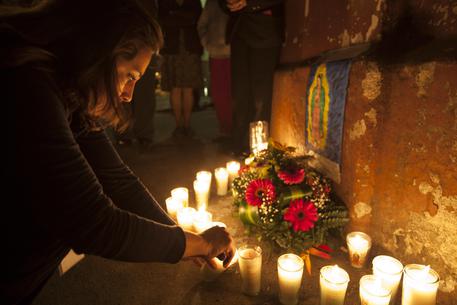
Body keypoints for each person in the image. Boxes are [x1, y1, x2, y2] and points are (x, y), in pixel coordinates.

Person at [1, 1, 235, 304]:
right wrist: (197, 245)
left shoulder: (69, 91)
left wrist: (182, 238)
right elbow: (95, 223)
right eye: (130, 76)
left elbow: (118, 178)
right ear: (98, 53)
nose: (127, 95)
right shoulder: (30, 90)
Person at [220, 0, 284, 155]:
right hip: (239, 31)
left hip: (264, 31)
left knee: (261, 95)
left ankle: (258, 148)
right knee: (240, 93)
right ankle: (239, 143)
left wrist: (247, 2)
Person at [157, 0, 203, 138]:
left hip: (189, 48)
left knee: (188, 88)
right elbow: (163, 19)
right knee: (175, 88)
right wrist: (183, 17)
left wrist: (174, 15)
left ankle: (186, 125)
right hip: (172, 48)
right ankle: (179, 125)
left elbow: (195, 18)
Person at [197, 0, 232, 140]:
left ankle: (235, 128)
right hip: (217, 53)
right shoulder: (213, 3)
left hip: (236, 53)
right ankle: (224, 129)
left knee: (234, 92)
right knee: (219, 94)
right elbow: (201, 25)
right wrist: (208, 44)